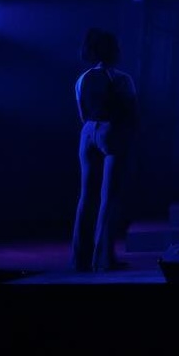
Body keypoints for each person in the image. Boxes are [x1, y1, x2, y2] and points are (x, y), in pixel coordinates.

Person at [71, 28, 138, 272]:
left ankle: (79, 258)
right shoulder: (121, 79)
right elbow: (130, 112)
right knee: (108, 198)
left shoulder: (82, 79)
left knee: (86, 196)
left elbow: (82, 113)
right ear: (112, 51)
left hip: (88, 132)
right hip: (112, 131)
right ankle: (102, 259)